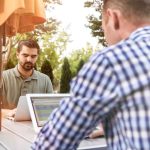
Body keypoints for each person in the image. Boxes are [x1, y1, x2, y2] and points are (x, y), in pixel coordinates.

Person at [32, 0, 150, 149]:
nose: (106, 37)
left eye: (103, 28)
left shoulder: (111, 60)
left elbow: (52, 144)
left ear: (113, 18)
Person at [2, 39, 53, 109]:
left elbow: (51, 108)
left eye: (33, 56)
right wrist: (8, 113)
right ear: (17, 55)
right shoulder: (3, 77)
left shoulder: (45, 80)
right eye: (25, 55)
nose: (29, 59)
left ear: (37, 57)